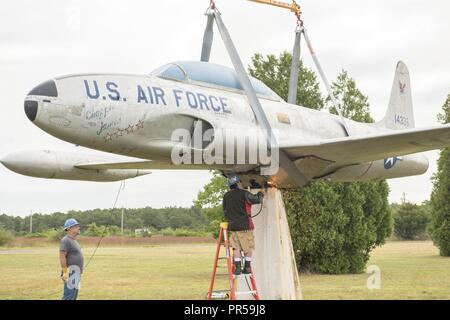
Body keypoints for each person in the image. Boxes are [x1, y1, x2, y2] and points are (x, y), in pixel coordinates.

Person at [222, 174, 264, 276]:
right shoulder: (244, 193)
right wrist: (260, 193)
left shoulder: (226, 196)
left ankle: (237, 268)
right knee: (248, 247)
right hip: (245, 226)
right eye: (240, 182)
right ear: (237, 183)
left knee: (236, 248)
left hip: (233, 227)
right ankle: (247, 267)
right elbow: (256, 200)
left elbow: (225, 211)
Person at [60, 218, 84, 300]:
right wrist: (65, 272)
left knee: (73, 295)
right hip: (71, 271)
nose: (79, 228)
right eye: (76, 226)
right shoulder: (65, 240)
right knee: (69, 296)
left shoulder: (74, 240)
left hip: (76, 271)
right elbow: (62, 256)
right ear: (70, 228)